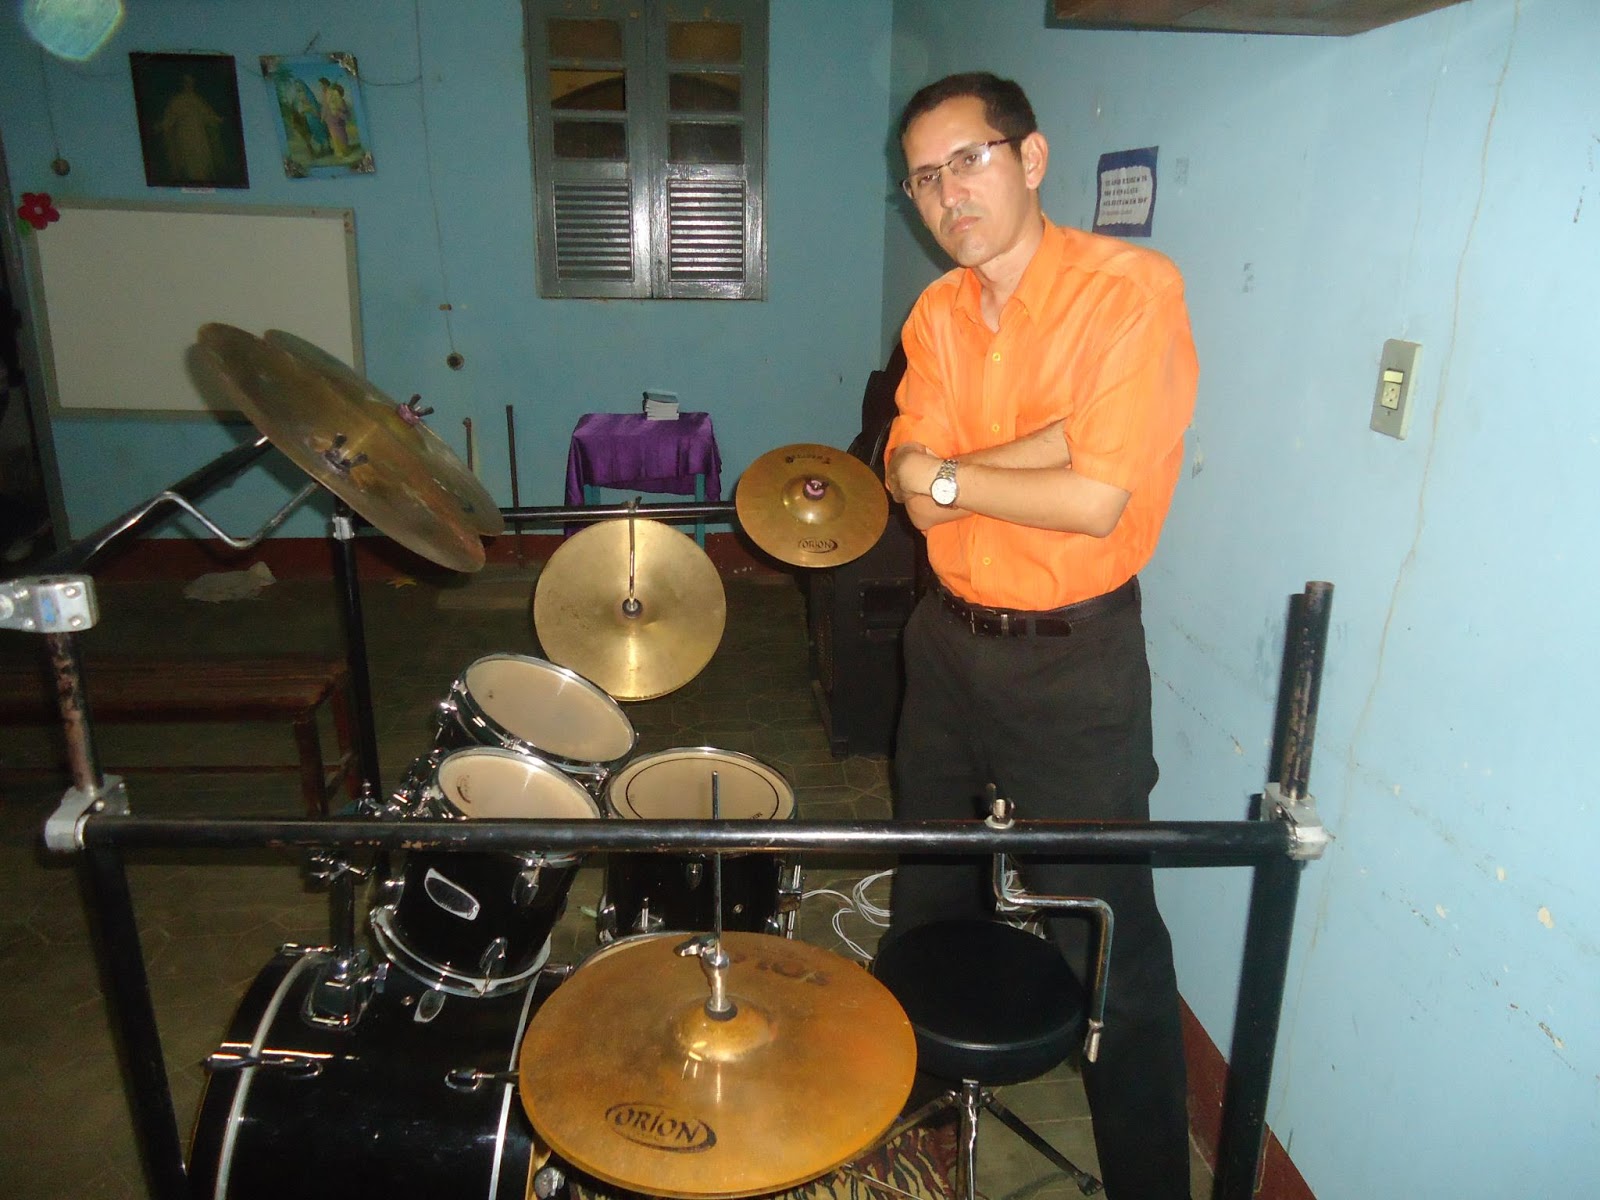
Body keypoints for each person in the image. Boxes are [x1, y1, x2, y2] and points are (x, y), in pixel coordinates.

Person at [881, 72, 1199, 1200]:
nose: (946, 194)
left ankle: (1151, 1181)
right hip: (945, 646)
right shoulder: (935, 314)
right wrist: (1040, 447)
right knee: (927, 886)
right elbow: (908, 488)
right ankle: (916, 1109)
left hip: (1074, 667)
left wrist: (954, 474)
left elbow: (1095, 502)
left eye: (966, 160)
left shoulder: (1130, 293)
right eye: (923, 177)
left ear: (1030, 158)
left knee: (1109, 938)